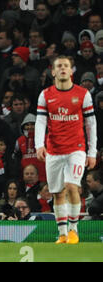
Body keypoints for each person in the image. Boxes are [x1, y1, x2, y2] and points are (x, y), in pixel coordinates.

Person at [35, 55, 97, 244]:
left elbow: (91, 124)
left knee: (71, 186)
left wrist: (91, 152)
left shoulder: (83, 94)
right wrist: (39, 144)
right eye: (59, 66)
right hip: (54, 150)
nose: (62, 69)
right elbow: (40, 121)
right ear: (53, 72)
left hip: (76, 149)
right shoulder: (45, 94)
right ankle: (62, 234)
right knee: (57, 193)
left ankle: (73, 230)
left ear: (71, 71)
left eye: (66, 66)